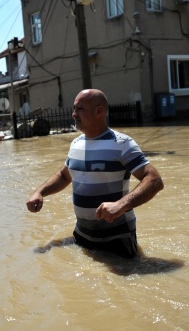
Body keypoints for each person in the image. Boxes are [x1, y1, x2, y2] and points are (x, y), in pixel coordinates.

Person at [26, 89, 164, 259]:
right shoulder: (76, 144)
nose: (74, 114)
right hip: (82, 235)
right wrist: (39, 192)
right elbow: (64, 176)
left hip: (117, 238)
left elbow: (154, 180)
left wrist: (121, 205)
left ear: (99, 111)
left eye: (80, 109)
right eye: (74, 108)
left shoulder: (122, 144)